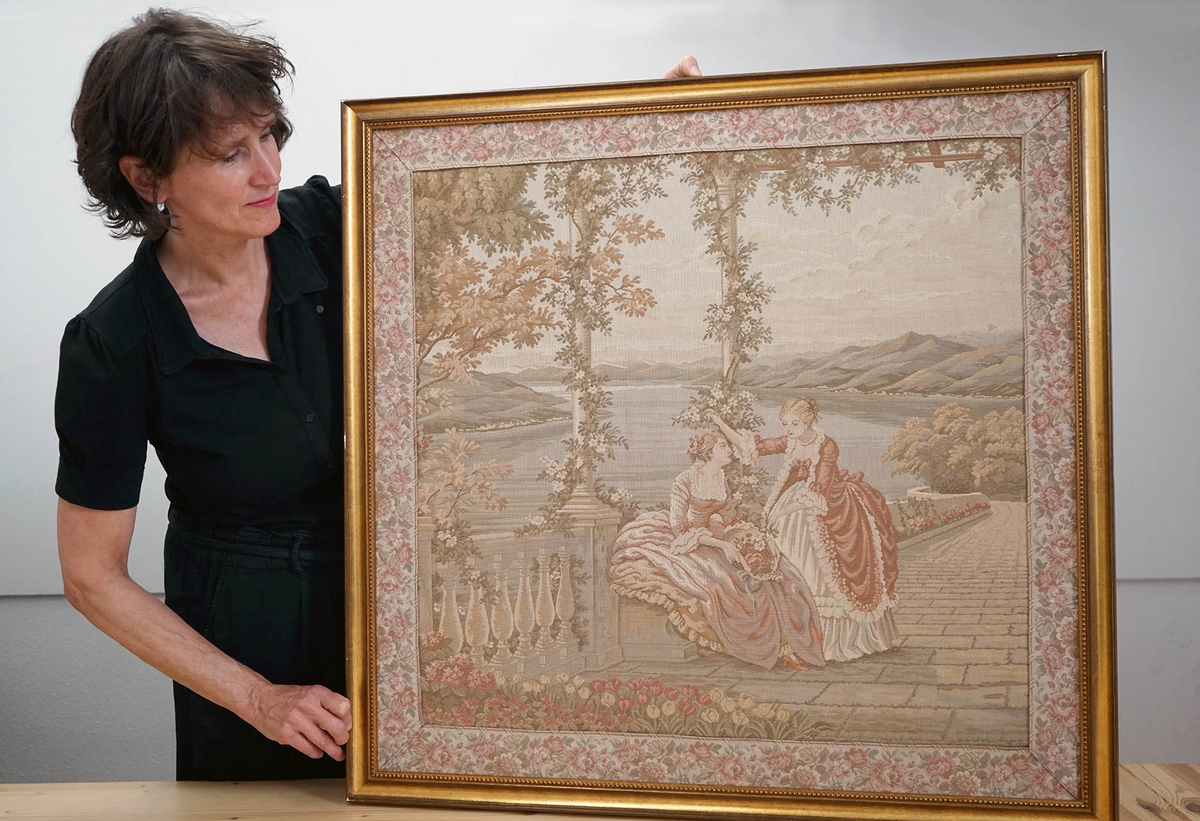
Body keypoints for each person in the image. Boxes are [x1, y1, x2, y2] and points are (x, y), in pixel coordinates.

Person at [55, 8, 702, 781]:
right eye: (232, 154)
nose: (269, 170)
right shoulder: (112, 340)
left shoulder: (333, 223)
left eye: (269, 135)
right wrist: (258, 698)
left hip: (393, 602)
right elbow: (92, 577)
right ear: (146, 178)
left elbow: (492, 179)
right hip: (242, 636)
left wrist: (634, 113)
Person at [607, 432, 826, 671]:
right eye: (723, 446)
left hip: (718, 535)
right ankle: (759, 647)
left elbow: (731, 519)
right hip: (692, 542)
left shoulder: (721, 478)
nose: (730, 450)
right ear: (708, 452)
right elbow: (678, 527)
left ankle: (789, 648)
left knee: (782, 573)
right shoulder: (685, 481)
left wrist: (758, 539)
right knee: (723, 585)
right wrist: (723, 546)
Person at [710, 398, 901, 662]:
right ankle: (796, 639)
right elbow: (752, 446)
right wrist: (720, 423)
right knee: (790, 568)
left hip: (824, 509)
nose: (789, 429)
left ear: (809, 421)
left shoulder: (827, 446)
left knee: (818, 570)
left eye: (794, 424)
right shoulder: (790, 441)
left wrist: (780, 513)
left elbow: (819, 490)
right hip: (792, 506)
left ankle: (828, 642)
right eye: (785, 424)